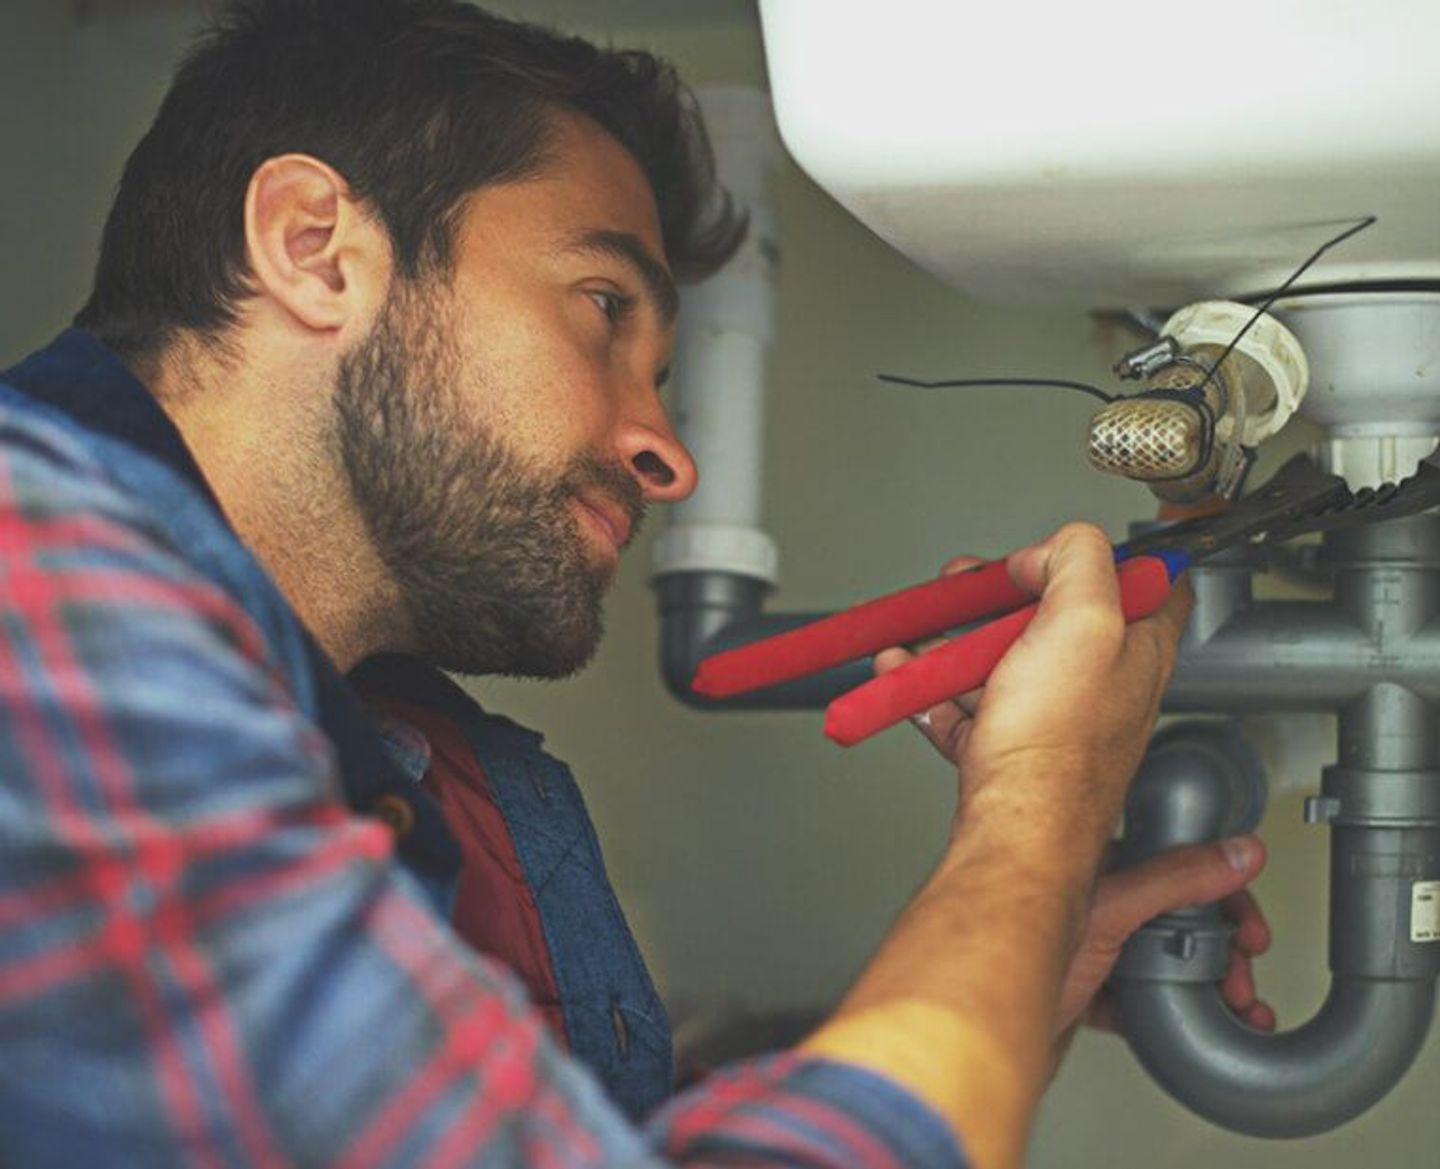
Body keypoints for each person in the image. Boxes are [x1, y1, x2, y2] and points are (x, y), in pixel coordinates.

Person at [0, 1, 1273, 1166]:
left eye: (660, 368)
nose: (667, 452)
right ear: (314, 246)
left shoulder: (410, 762)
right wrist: (1040, 812)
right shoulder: (36, 585)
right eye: (604, 307)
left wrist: (1026, 946)